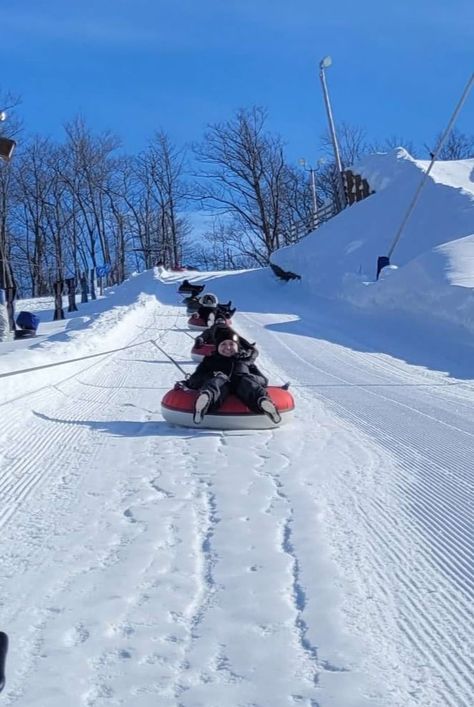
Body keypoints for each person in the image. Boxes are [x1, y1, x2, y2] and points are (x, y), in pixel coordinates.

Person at [175, 331, 281, 425]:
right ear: (217, 347)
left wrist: (250, 376)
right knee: (216, 382)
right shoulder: (210, 361)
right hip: (221, 387)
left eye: (231, 344)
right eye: (223, 344)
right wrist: (211, 376)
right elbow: (195, 379)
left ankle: (263, 402)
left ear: (237, 346)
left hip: (241, 386)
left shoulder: (245, 361)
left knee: (247, 382)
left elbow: (263, 380)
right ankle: (205, 401)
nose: (228, 347)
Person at [194, 317, 258, 364]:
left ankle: (246, 347)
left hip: (219, 349)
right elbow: (203, 336)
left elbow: (238, 339)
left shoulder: (228, 330)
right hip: (214, 347)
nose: (220, 323)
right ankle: (246, 347)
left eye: (221, 321)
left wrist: (247, 346)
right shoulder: (210, 330)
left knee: (235, 339)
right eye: (218, 321)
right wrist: (200, 340)